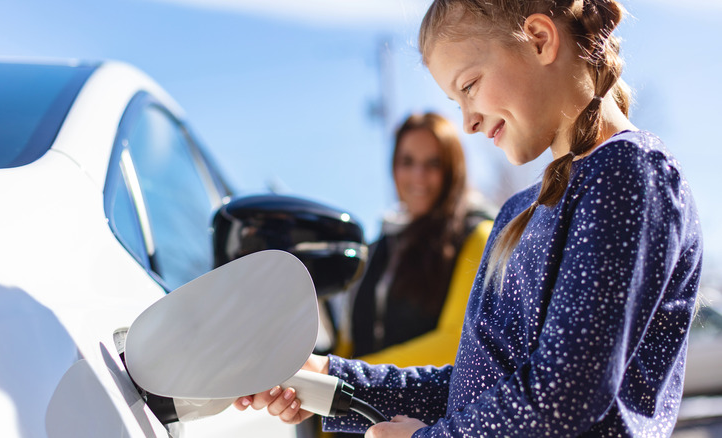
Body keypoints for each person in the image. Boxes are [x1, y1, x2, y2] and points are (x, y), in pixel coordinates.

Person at [236, 1, 704, 436]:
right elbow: (478, 389)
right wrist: (333, 380)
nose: (468, 123)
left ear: (540, 39)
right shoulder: (518, 212)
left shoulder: (627, 174)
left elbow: (565, 393)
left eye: (469, 86)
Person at [336, 111, 495, 369]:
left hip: (434, 407)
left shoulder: (478, 235)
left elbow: (458, 342)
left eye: (433, 163)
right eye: (407, 162)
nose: (418, 175)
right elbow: (346, 347)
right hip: (358, 404)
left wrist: (351, 374)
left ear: (453, 170)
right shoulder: (375, 249)